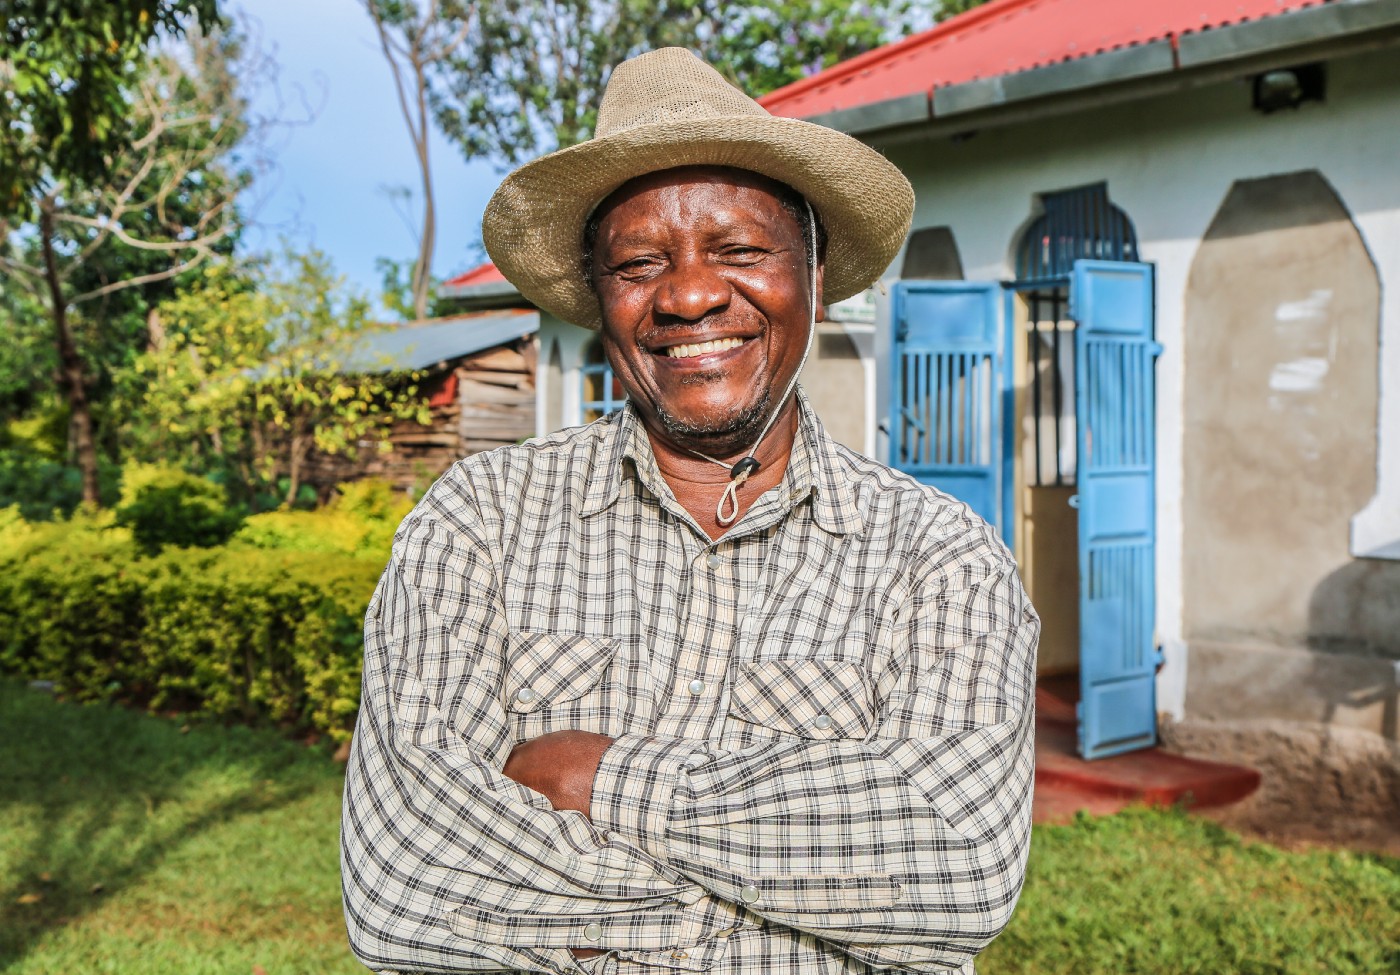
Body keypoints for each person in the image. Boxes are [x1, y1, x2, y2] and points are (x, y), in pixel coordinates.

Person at [342, 47, 1038, 975]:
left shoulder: (938, 557)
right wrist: (759, 916)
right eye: (638, 264)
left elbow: (957, 867)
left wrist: (601, 776)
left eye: (741, 250)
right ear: (599, 299)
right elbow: (404, 886)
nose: (690, 295)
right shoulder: (478, 523)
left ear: (816, 278)